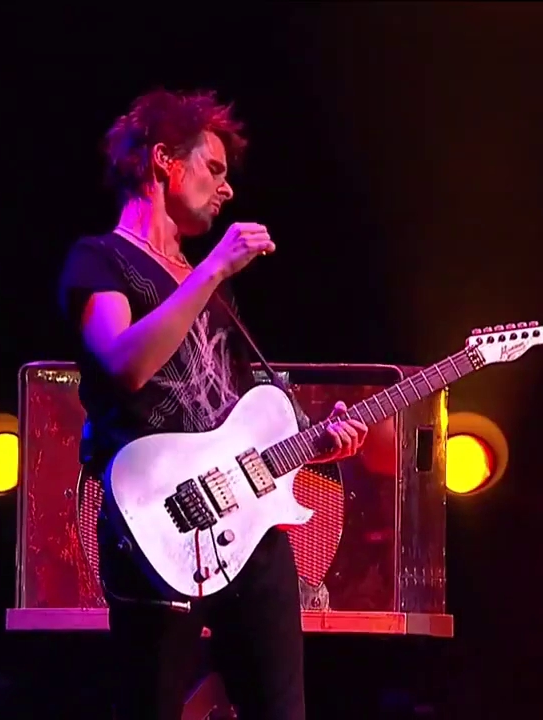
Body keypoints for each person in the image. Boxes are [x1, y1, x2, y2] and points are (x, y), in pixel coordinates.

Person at [56, 88, 370, 720]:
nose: (227, 189)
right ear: (164, 159)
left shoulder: (212, 289)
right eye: (214, 168)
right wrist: (212, 270)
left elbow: (238, 415)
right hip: (155, 521)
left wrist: (316, 440)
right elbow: (123, 364)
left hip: (245, 527)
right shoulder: (101, 259)